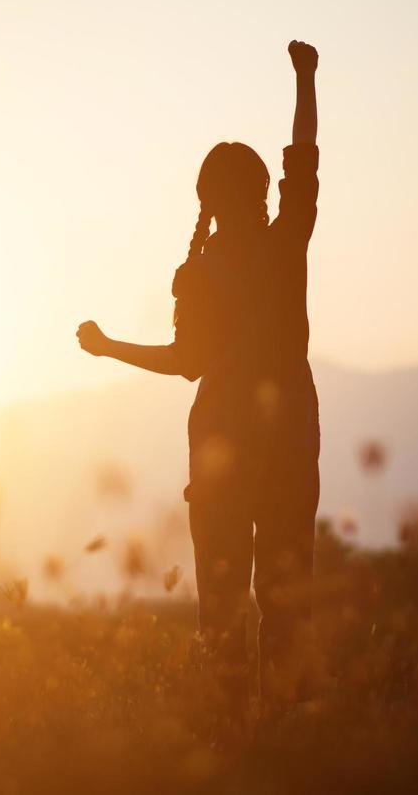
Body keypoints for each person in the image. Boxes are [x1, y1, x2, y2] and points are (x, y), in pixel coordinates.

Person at [77, 40, 322, 712]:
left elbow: (185, 365)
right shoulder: (284, 242)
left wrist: (107, 347)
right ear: (261, 193)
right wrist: (305, 80)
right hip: (291, 439)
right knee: (284, 604)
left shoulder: (203, 273)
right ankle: (284, 743)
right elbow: (303, 158)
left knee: (221, 608)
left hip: (221, 446)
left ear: (207, 200)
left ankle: (227, 742)